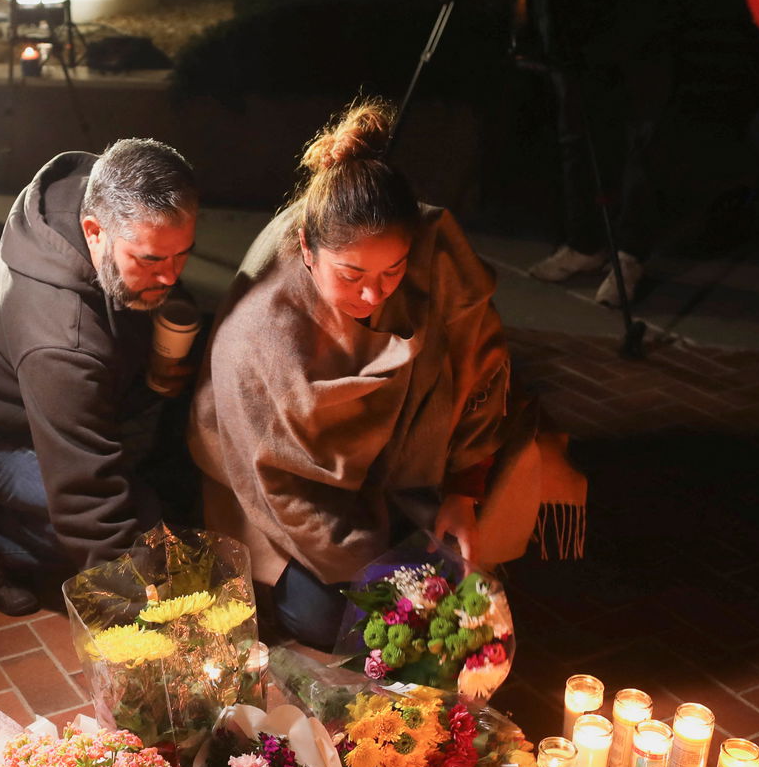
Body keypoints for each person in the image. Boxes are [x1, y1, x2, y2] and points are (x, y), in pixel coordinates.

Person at [190, 100, 586, 647]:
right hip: (292, 498)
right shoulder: (261, 330)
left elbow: (482, 369)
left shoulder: (433, 250)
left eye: (392, 271)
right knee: (339, 618)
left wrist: (463, 491)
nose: (373, 293)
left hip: (403, 469)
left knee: (461, 593)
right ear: (307, 248)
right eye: (351, 275)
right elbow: (276, 483)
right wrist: (378, 569)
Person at [0, 139, 199, 615]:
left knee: (157, 505)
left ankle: (22, 512)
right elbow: (85, 494)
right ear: (94, 231)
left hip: (54, 404)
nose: (171, 277)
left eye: (182, 254)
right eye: (151, 260)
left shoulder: (103, 198)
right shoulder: (58, 335)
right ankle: (0, 544)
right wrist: (140, 608)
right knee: (132, 523)